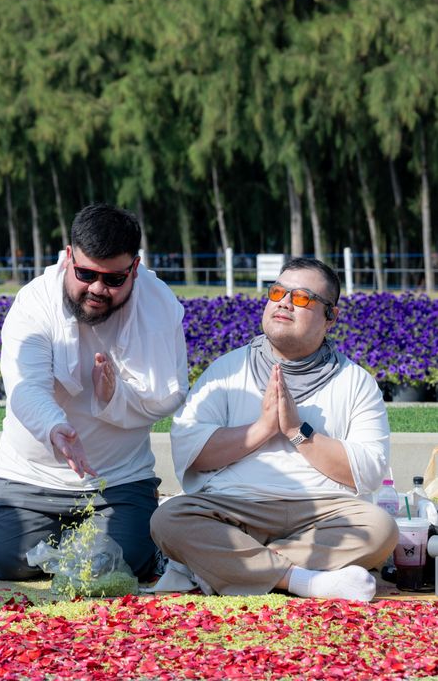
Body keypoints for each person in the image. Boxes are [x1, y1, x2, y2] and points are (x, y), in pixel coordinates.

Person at [151, 257, 399, 602]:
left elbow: (368, 470)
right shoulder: (227, 370)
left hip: (322, 514)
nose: (283, 302)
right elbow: (190, 450)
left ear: (331, 317)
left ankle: (226, 567)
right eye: (278, 292)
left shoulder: (356, 382)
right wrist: (262, 429)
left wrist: (297, 431)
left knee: (381, 529)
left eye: (301, 298)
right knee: (168, 519)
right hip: (235, 508)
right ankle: (306, 581)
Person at [0, 203, 189, 582]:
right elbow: (26, 386)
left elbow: (168, 395)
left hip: (118, 482)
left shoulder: (159, 306)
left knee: (123, 565)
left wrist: (113, 394)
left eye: (113, 280)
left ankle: (117, 538)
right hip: (31, 476)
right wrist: (55, 426)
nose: (97, 288)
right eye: (86, 273)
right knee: (9, 562)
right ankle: (68, 537)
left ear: (135, 269)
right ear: (68, 257)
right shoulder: (34, 302)